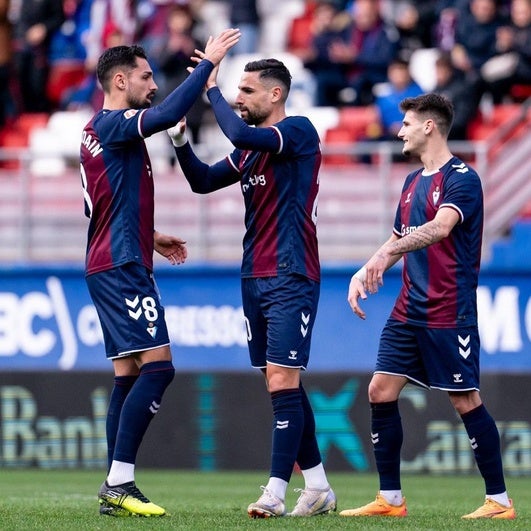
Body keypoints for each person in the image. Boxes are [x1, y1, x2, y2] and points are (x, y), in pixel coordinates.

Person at [79, 29, 240, 517]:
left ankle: (115, 484)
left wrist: (151, 236)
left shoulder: (97, 131)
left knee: (127, 375)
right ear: (120, 80)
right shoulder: (113, 123)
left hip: (116, 256)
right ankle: (119, 482)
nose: (154, 84)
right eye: (147, 77)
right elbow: (169, 114)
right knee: (161, 367)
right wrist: (206, 67)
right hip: (122, 265)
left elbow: (101, 206)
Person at [167, 57, 336, 518]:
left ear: (274, 94)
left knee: (282, 378)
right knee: (279, 382)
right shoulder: (250, 151)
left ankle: (276, 492)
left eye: (247, 91)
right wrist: (181, 140)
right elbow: (202, 182)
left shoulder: (298, 131)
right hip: (253, 275)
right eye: (236, 90)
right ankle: (318, 486)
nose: (239, 98)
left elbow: (239, 132)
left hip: (291, 273)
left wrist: (212, 89)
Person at [340, 93, 516, 520]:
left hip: (447, 310)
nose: (398, 130)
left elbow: (439, 228)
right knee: (380, 390)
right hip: (408, 309)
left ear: (429, 126)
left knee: (465, 401)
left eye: (405, 123)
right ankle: (391, 500)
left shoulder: (462, 178)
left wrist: (387, 255)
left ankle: (499, 501)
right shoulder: (412, 181)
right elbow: (400, 235)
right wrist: (366, 266)